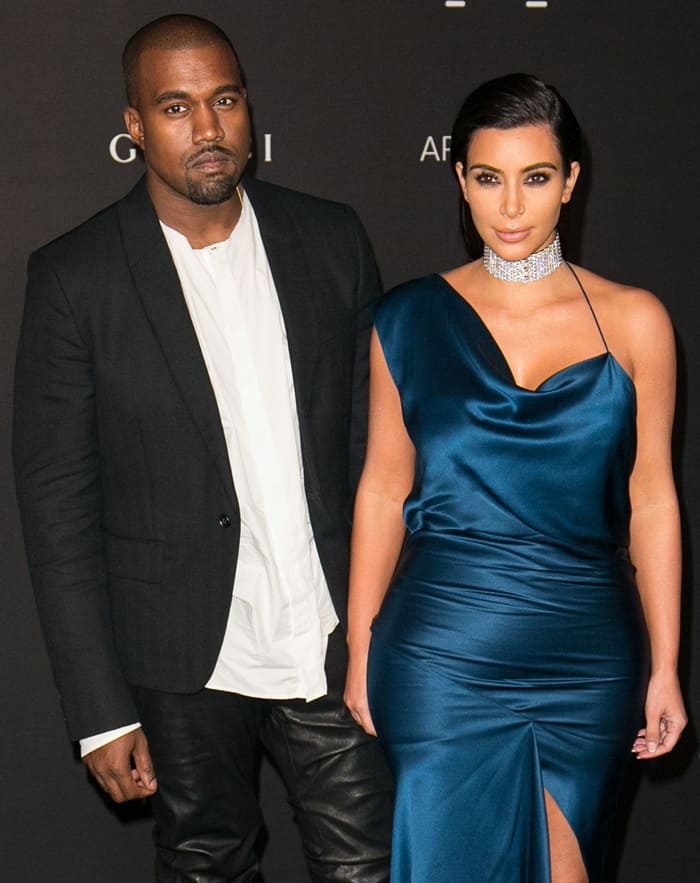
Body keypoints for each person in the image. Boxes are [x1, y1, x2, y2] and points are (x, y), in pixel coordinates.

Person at [13, 13, 393, 883]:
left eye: (223, 100)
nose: (209, 128)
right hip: (180, 653)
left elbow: (382, 449)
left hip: (328, 636)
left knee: (373, 865)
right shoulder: (76, 277)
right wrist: (100, 712)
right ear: (135, 125)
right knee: (205, 867)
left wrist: (392, 621)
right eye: (177, 107)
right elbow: (57, 506)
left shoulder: (330, 239)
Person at [344, 73, 686, 882]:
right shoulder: (408, 319)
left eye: (535, 178)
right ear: (460, 180)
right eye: (488, 178)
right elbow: (383, 490)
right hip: (440, 653)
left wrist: (667, 662)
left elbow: (653, 500)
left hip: (585, 657)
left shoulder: (637, 320)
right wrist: (359, 646)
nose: (510, 207)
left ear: (570, 182)